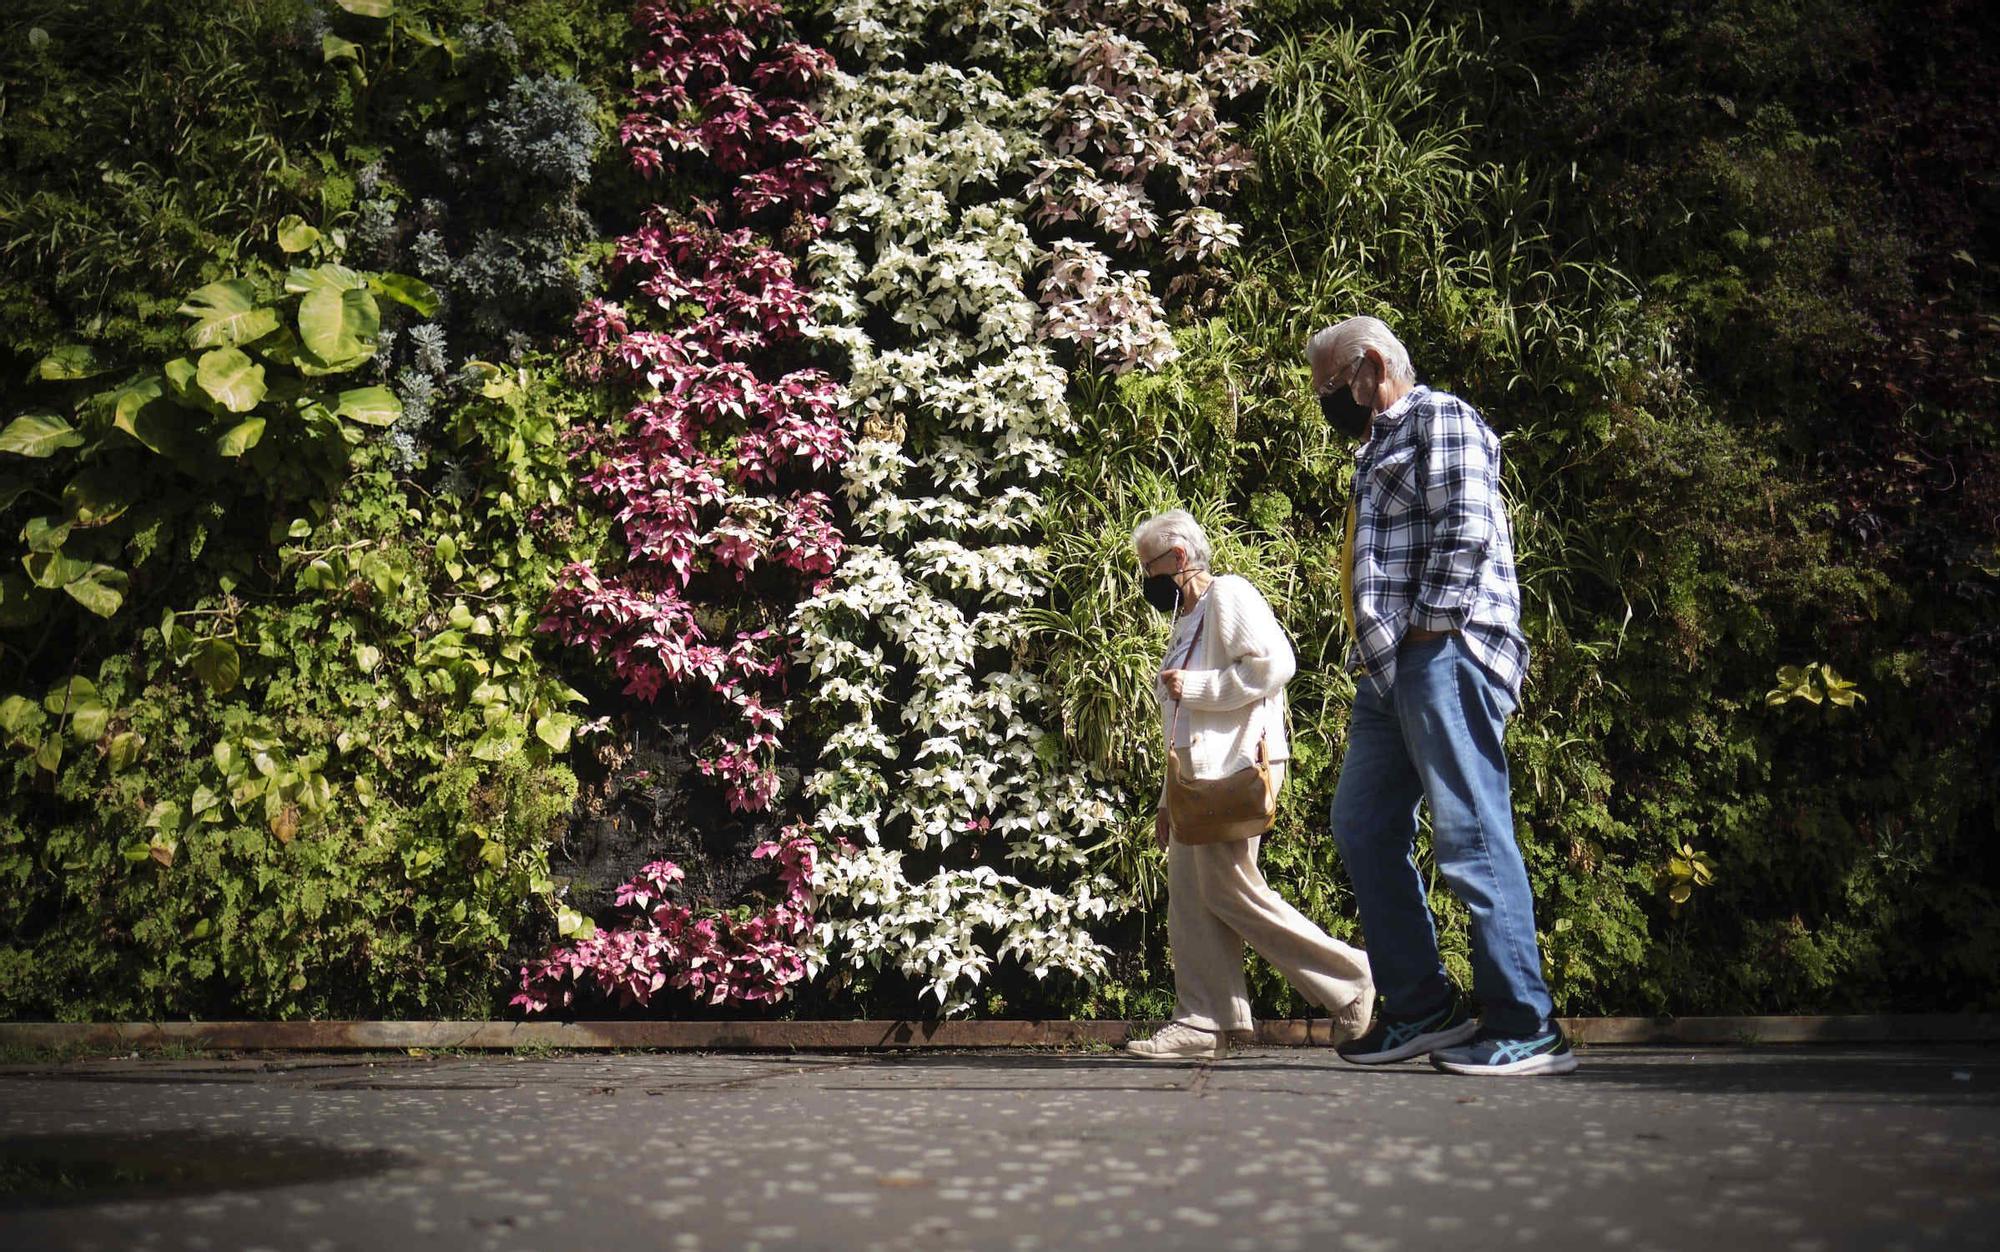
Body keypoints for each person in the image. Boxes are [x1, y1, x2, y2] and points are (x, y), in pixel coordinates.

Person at [1308, 316, 1575, 1076]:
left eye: (1331, 386)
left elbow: (1466, 528)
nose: (1327, 402)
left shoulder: (1440, 417)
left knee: (1470, 834)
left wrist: (1429, 630)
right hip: (1390, 671)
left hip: (1444, 651)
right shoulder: (1374, 449)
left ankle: (1528, 1022)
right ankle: (1424, 1007)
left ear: (1367, 367)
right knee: (1361, 825)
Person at [1124, 509, 1376, 1061]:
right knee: (1191, 896)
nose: (1147, 579)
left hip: (1235, 768)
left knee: (1228, 889)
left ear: (1179, 558)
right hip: (1196, 776)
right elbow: (1179, 720)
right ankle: (1202, 1020)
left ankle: (1350, 980)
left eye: (1151, 567)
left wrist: (1199, 685)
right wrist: (1169, 797)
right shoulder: (1184, 620)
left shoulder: (1228, 595)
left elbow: (1276, 664)